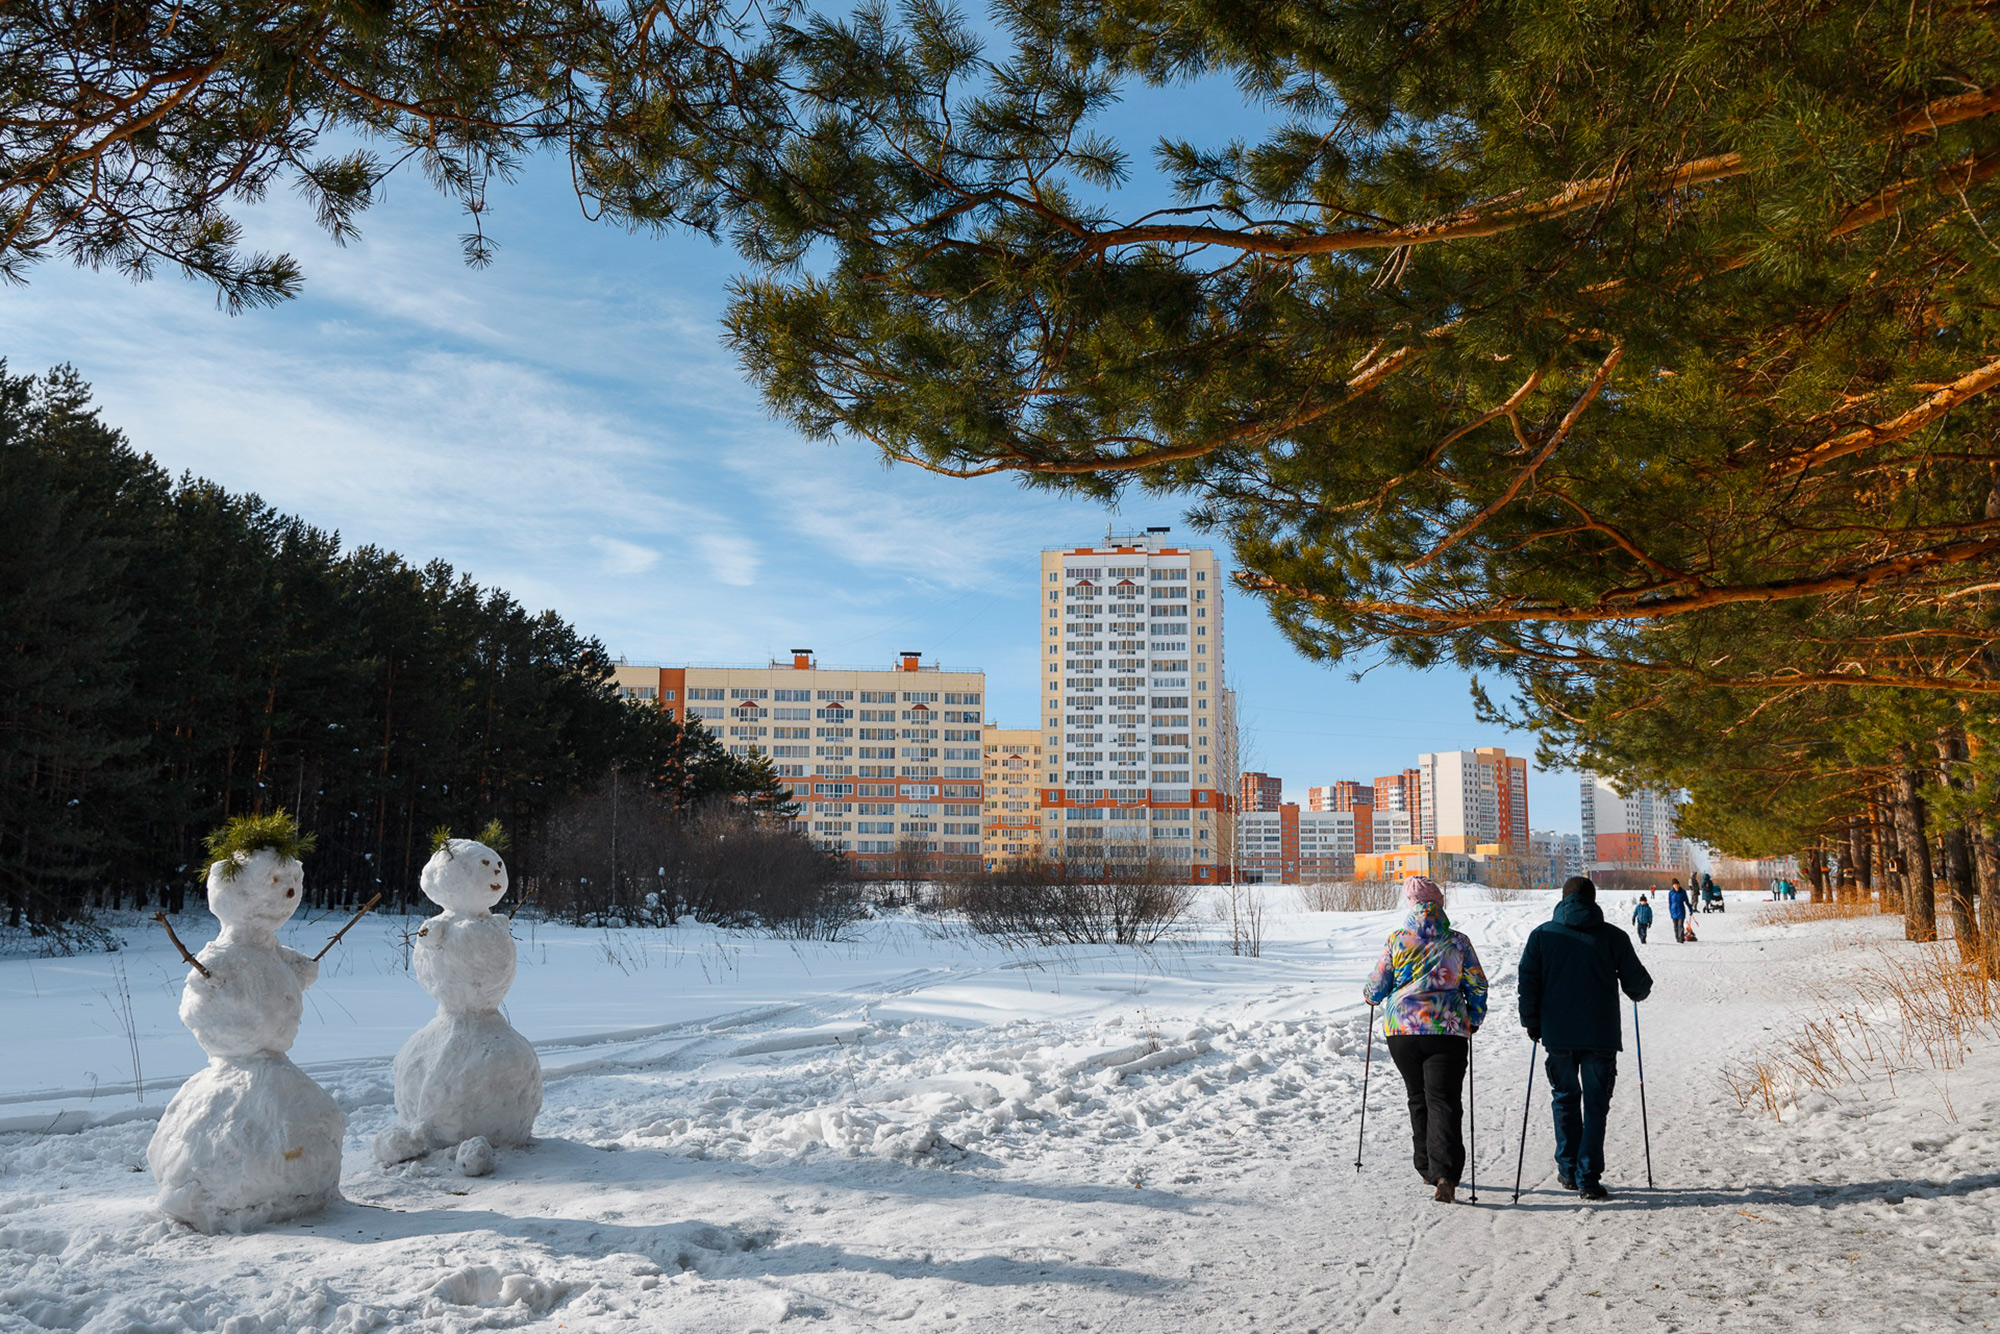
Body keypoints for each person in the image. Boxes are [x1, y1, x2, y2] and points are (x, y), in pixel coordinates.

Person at [1518, 875, 1654, 1201]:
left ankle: (1567, 1170)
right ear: (1593, 901)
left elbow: (1528, 984)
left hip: (1558, 1035)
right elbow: (1639, 985)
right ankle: (1588, 1178)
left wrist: (1532, 1023)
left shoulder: (1542, 936)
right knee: (1595, 1106)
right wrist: (1632, 988)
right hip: (1601, 1036)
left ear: (1563, 900)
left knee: (1564, 1099)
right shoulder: (1614, 937)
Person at [1361, 875, 1489, 1205]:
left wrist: (1370, 996)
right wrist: (1473, 1019)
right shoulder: (1458, 942)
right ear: (1440, 904)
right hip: (1447, 1030)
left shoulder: (1397, 940)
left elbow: (1376, 987)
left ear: (1411, 905)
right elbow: (1477, 985)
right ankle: (1445, 1173)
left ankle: (1425, 1167)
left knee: (1417, 1096)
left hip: (1402, 1032)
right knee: (1444, 1100)